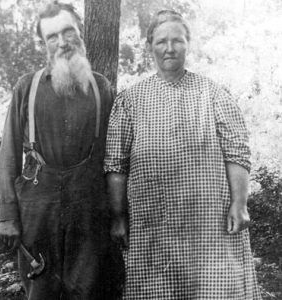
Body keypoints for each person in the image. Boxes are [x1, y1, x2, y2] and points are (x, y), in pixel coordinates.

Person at [104, 9, 261, 300]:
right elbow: (116, 165)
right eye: (162, 41)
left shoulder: (213, 93)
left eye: (178, 40)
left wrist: (239, 203)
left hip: (208, 224)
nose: (170, 48)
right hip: (153, 221)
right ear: (149, 45)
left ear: (188, 44)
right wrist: (118, 217)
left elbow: (237, 154)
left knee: (215, 290)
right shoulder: (130, 100)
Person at [0, 2, 123, 299]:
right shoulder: (26, 88)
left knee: (90, 292)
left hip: (89, 213)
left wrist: (117, 215)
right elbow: (9, 156)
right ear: (44, 44)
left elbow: (114, 158)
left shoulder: (101, 89)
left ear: (81, 33)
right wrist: (7, 217)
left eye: (68, 32)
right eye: (52, 36)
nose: (62, 42)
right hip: (38, 211)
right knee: (41, 291)